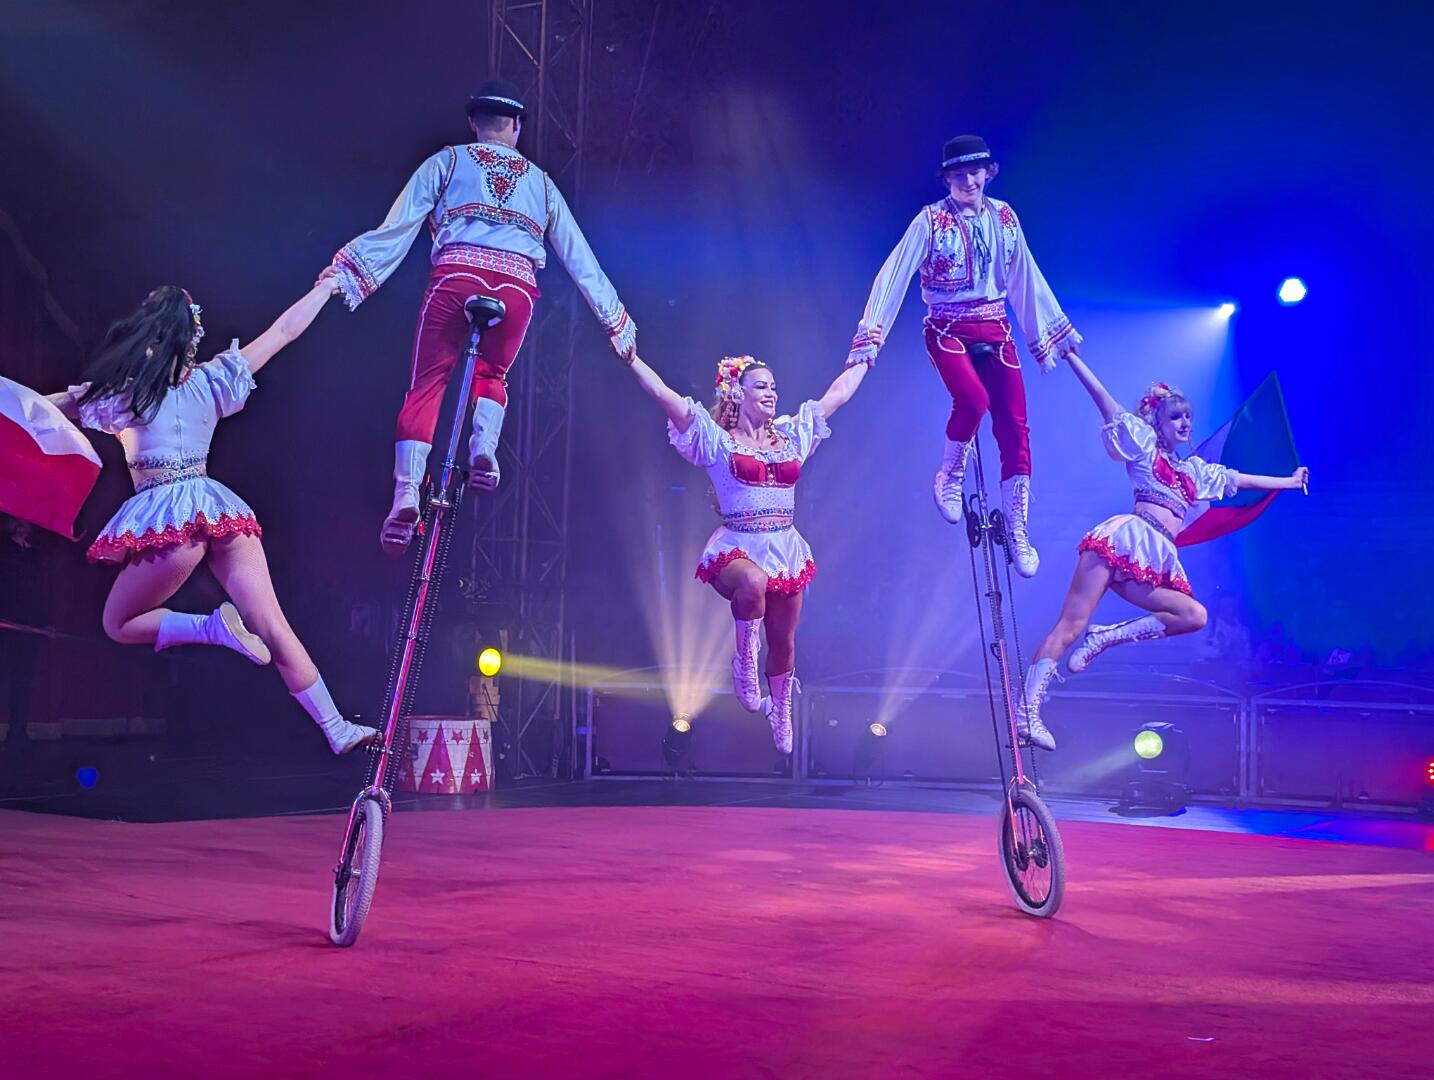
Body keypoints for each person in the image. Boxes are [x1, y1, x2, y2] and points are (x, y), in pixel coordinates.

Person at [45, 274, 376, 755]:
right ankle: (337, 727)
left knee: (118, 623)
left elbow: (47, 409)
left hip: (171, 518)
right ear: (191, 337)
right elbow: (284, 331)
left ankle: (212, 629)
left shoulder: (125, 394)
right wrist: (324, 289)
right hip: (220, 511)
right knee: (273, 624)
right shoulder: (213, 379)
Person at [329, 78, 638, 554]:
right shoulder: (542, 183)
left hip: (456, 278)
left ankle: (406, 492)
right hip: (516, 288)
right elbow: (580, 257)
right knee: (492, 373)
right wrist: (615, 321)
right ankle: (483, 448)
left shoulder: (448, 161)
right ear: (516, 126)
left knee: (427, 383)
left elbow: (399, 225)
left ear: (474, 123)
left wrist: (349, 273)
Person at [1014, 359, 1308, 749]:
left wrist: (1289, 482)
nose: (1185, 423)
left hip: (1153, 558)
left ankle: (1105, 638)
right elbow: (1104, 400)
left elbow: (1241, 479)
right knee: (1069, 627)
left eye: (1188, 417)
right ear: (1158, 421)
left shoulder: (1195, 473)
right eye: (1175, 417)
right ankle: (1026, 712)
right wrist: (1071, 357)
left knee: (1193, 615)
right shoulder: (1143, 446)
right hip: (1123, 540)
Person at [617, 336, 877, 753]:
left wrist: (865, 355)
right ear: (737, 393)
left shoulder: (792, 434)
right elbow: (665, 396)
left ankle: (780, 711)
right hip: (736, 546)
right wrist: (633, 360)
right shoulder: (716, 440)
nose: (772, 392)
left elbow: (839, 394)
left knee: (785, 641)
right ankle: (744, 664)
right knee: (753, 583)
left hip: (785, 548)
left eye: (774, 386)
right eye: (761, 386)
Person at [844, 135, 1082, 576]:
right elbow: (893, 274)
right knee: (973, 400)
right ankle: (950, 473)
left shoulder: (1005, 216)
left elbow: (1025, 277)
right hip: (947, 327)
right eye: (959, 174)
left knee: (1015, 427)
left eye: (975, 172)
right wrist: (870, 335)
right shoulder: (930, 221)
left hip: (996, 326)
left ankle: (1018, 527)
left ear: (988, 172)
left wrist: (1050, 334)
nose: (968, 181)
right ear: (947, 178)